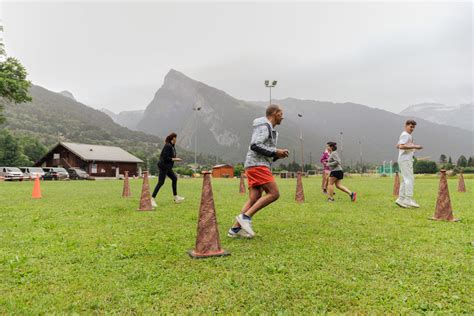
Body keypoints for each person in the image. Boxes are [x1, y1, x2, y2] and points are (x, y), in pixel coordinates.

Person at [228, 104, 289, 238]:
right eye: (281, 113)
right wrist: (275, 151)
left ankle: (235, 229)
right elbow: (255, 145)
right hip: (257, 165)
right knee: (274, 193)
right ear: (274, 113)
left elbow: (266, 152)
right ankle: (245, 218)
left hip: (255, 164)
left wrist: (277, 155)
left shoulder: (271, 129)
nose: (282, 117)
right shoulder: (264, 126)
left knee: (254, 197)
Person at [151, 133, 185, 207]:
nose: (176, 139)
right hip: (163, 166)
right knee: (161, 182)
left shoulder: (172, 146)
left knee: (174, 178)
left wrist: (174, 159)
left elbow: (170, 157)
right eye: (176, 138)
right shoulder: (168, 146)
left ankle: (176, 197)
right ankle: (152, 199)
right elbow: (165, 157)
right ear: (173, 138)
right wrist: (175, 159)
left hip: (168, 167)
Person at [395, 120, 423, 208]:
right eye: (411, 127)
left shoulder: (406, 135)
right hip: (405, 160)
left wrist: (411, 147)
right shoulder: (405, 135)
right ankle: (408, 199)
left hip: (405, 159)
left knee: (405, 179)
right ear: (406, 125)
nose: (412, 129)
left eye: (413, 127)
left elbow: (398, 145)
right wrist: (415, 146)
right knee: (409, 179)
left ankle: (401, 199)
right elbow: (401, 146)